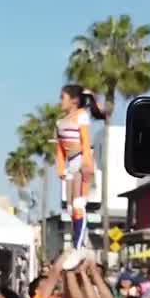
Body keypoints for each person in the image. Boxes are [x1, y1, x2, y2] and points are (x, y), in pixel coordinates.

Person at [55, 85, 103, 255]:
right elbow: (60, 149)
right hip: (70, 164)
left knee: (78, 204)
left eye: (63, 97)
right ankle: (80, 241)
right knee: (69, 208)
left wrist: (87, 164)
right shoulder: (60, 121)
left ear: (74, 100)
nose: (60, 100)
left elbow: (85, 139)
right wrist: (60, 168)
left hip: (82, 159)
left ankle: (79, 245)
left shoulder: (81, 116)